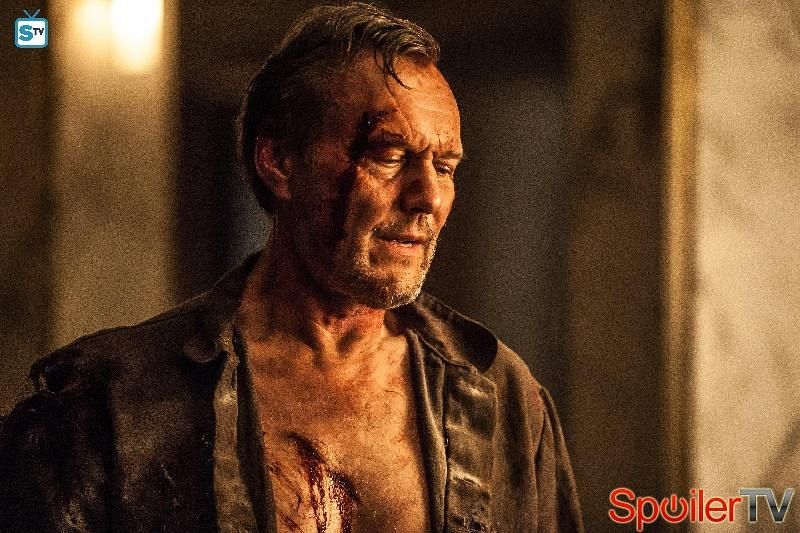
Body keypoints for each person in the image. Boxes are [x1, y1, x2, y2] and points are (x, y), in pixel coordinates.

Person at [0, 3, 583, 532]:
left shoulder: (501, 396)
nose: (427, 196)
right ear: (278, 161)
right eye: (389, 156)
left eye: (446, 167)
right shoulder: (107, 407)